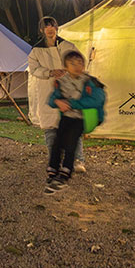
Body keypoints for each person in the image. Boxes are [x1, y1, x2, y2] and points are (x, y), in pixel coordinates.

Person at [26, 16, 85, 171]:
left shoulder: (67, 46)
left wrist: (68, 71)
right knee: (51, 129)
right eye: (46, 26)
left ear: (56, 27)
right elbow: (34, 69)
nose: (50, 28)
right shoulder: (36, 50)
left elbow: (78, 62)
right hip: (47, 91)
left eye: (52, 25)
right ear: (42, 30)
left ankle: (77, 161)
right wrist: (50, 72)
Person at [44, 50, 105, 194]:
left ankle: (65, 174)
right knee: (57, 142)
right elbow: (52, 99)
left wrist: (71, 103)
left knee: (71, 142)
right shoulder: (61, 81)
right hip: (66, 117)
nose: (77, 66)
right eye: (72, 63)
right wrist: (57, 101)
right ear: (65, 67)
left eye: (80, 63)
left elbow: (97, 99)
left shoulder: (90, 81)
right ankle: (53, 171)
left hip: (83, 118)